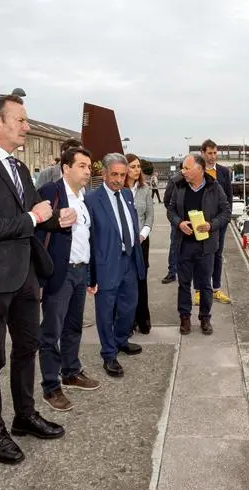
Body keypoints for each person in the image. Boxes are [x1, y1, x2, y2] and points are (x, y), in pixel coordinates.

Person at [0, 94, 74, 465]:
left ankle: (24, 415)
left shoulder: (20, 169)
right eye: (20, 120)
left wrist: (58, 218)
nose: (26, 126)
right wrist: (38, 219)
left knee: (28, 346)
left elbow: (37, 210)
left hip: (23, 273)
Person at [36, 147, 101, 412]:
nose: (87, 171)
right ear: (66, 168)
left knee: (73, 327)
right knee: (51, 331)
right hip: (58, 274)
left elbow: (89, 238)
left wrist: (91, 275)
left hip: (80, 271)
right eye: (82, 166)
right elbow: (38, 231)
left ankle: (71, 371)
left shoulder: (86, 197)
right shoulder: (51, 192)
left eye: (89, 167)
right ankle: (51, 387)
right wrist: (38, 278)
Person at [84, 154, 145, 377]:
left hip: (129, 259)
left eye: (122, 174)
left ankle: (120, 340)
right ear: (104, 173)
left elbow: (130, 223)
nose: (119, 179)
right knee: (105, 311)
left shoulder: (127, 194)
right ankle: (109, 354)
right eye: (115, 175)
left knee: (129, 306)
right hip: (106, 264)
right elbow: (88, 238)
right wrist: (91, 275)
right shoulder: (92, 200)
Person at [167, 154, 231, 335]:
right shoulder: (179, 186)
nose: (183, 171)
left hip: (206, 246)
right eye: (183, 168)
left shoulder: (214, 187)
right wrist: (179, 223)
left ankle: (205, 318)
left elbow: (226, 212)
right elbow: (170, 210)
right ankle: (185, 318)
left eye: (187, 168)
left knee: (205, 285)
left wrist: (211, 225)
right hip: (184, 244)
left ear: (199, 169)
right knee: (184, 284)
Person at [199, 139, 233, 305]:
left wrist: (226, 219)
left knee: (218, 254)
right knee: (200, 254)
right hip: (200, 222)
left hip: (219, 222)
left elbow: (229, 198)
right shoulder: (197, 171)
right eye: (209, 153)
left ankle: (216, 289)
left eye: (215, 153)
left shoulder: (224, 172)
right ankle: (198, 290)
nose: (213, 157)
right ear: (203, 153)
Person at [126, 154, 154, 334]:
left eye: (138, 167)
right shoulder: (119, 190)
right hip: (123, 243)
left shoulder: (145, 190)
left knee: (140, 280)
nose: (137, 170)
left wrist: (143, 234)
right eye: (133, 166)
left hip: (141, 241)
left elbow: (150, 216)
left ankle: (143, 318)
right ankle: (127, 322)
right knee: (125, 282)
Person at [160, 170, 182, 285]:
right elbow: (167, 200)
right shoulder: (175, 180)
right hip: (177, 220)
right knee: (175, 245)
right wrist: (174, 215)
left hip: (193, 218)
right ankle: (172, 272)